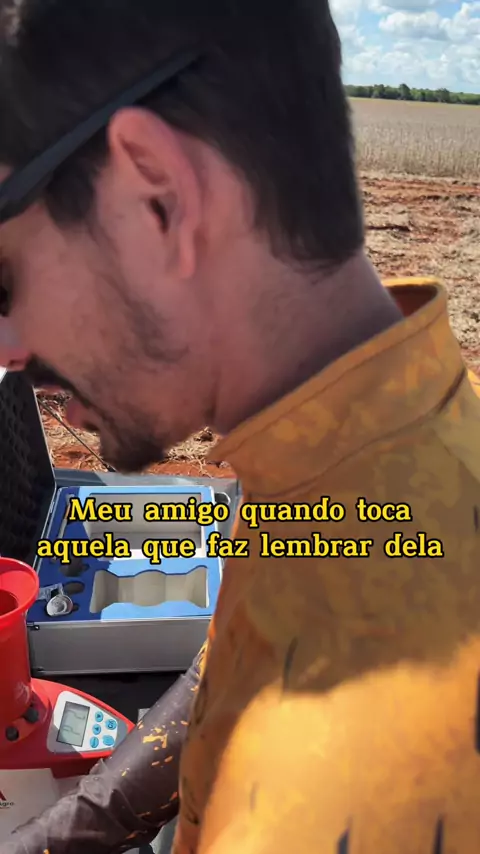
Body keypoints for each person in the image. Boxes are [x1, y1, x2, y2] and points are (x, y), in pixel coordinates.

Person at [0, 1, 480, 852]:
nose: (6, 350)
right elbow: (242, 647)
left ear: (159, 198)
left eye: (2, 276)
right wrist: (87, 820)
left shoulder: (334, 803)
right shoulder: (364, 440)